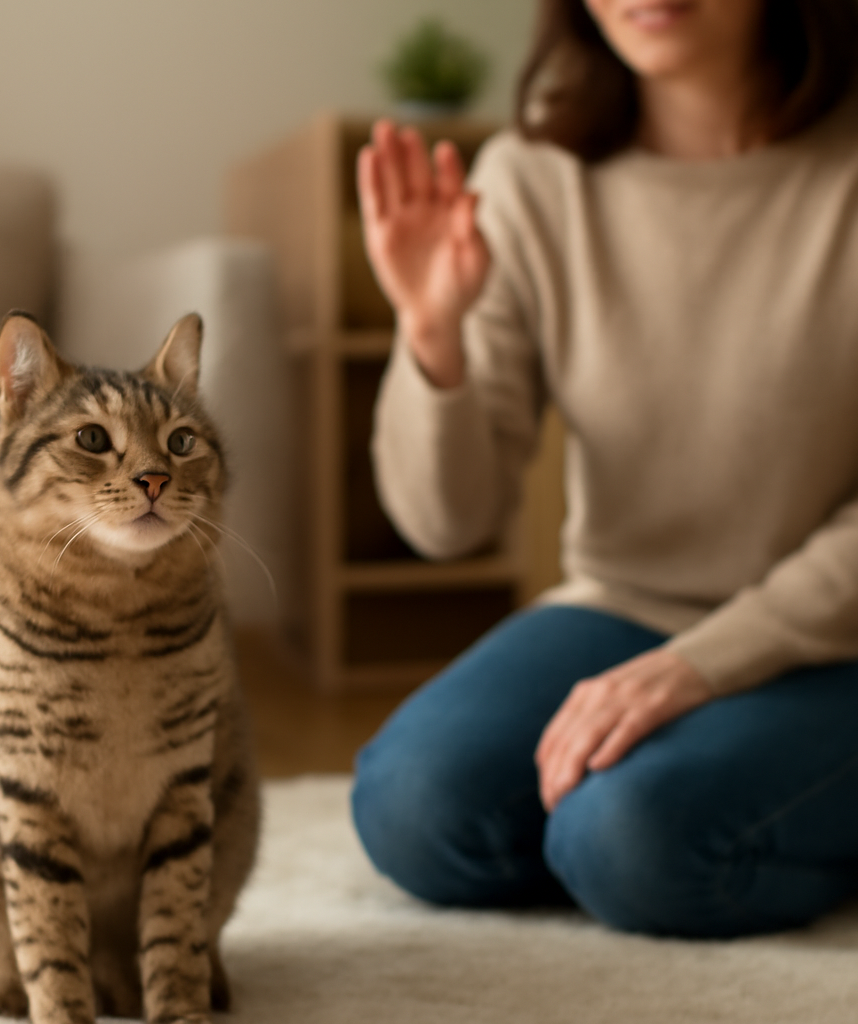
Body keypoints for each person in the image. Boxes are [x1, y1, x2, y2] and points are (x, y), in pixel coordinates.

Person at [350, 0, 858, 938]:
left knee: (634, 836)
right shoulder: (532, 176)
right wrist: (433, 339)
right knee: (415, 806)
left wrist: (703, 667)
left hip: (835, 635)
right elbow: (447, 524)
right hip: (626, 605)